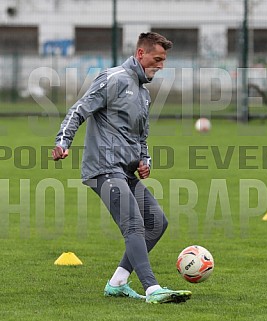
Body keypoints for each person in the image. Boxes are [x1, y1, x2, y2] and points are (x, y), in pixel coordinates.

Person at [52, 32, 192, 304]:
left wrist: (145, 160)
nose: (160, 66)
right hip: (103, 169)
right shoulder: (112, 79)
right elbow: (79, 110)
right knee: (134, 224)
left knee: (157, 222)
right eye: (157, 59)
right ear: (141, 54)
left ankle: (117, 282)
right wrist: (62, 141)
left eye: (164, 61)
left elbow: (141, 135)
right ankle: (152, 289)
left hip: (125, 172)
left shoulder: (142, 92)